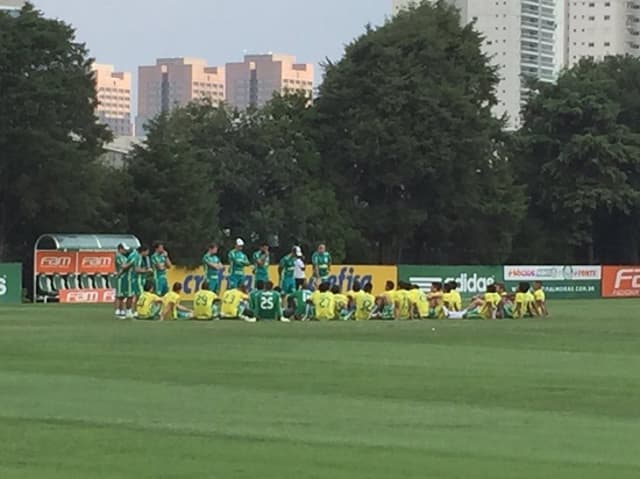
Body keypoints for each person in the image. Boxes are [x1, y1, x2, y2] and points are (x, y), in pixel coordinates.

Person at [115, 243, 134, 318]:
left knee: (123, 295)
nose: (125, 251)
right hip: (121, 278)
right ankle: (119, 311)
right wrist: (131, 263)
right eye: (124, 249)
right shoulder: (118, 256)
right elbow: (123, 267)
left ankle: (122, 310)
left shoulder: (123, 256)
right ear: (120, 249)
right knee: (120, 295)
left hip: (126, 278)